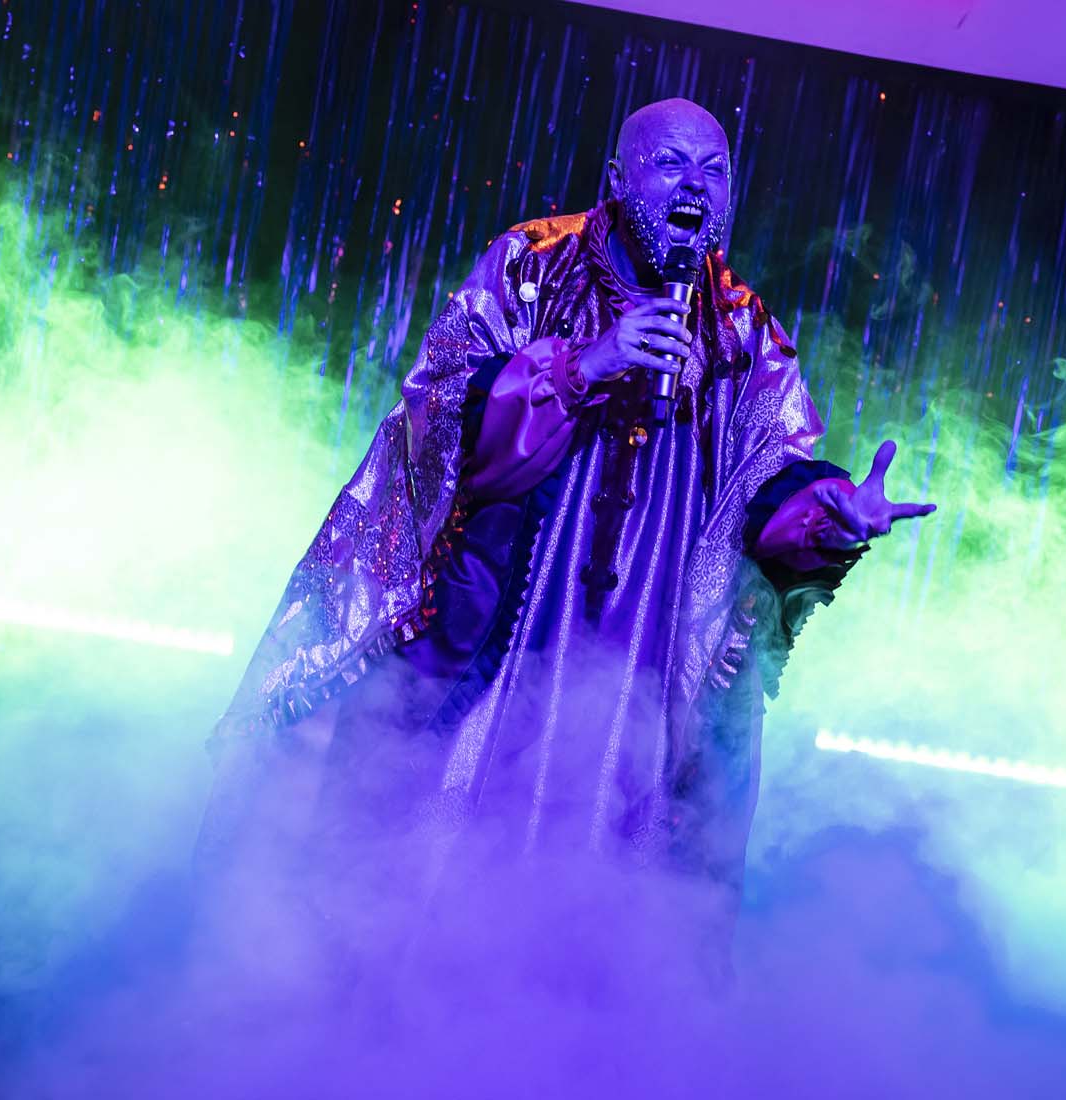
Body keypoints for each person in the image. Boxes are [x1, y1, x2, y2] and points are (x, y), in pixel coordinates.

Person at [195, 98, 935, 953]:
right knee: (421, 861)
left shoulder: (743, 330)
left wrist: (830, 516)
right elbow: (441, 418)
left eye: (714, 170)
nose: (694, 186)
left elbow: (765, 479)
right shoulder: (530, 266)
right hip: (500, 621)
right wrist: (585, 364)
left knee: (608, 878)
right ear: (617, 179)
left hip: (637, 651)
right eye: (670, 164)